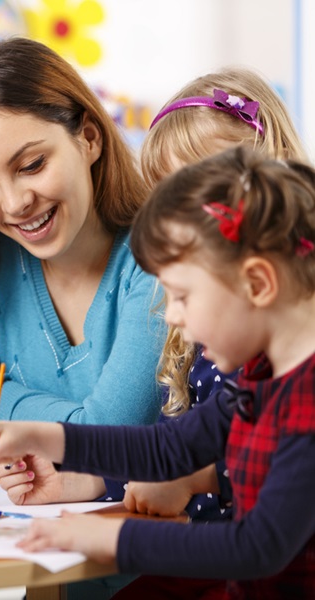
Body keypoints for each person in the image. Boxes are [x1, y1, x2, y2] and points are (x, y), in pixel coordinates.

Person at [0, 146, 315, 598]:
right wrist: (35, 436)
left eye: (182, 296)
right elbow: (168, 448)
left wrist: (112, 539)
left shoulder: (307, 403)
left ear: (258, 283)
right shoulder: (260, 381)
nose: (171, 316)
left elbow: (258, 548)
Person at [0, 37, 163, 486]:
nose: (14, 203)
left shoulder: (159, 260)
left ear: (89, 138)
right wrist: (71, 434)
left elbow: (112, 437)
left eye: (32, 165)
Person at [112, 67, 310, 600]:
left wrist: (193, 479)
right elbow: (174, 443)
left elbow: (278, 461)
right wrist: (76, 470)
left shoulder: (289, 333)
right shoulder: (204, 319)